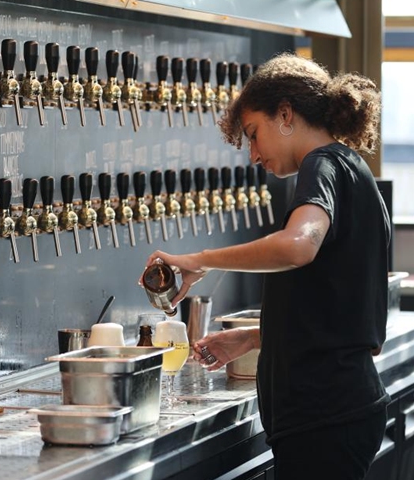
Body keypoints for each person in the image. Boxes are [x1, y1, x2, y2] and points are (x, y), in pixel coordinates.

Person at [141, 53, 390, 480]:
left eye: (255, 135)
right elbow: (344, 317)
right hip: (338, 411)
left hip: (323, 419)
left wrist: (200, 261)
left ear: (286, 114)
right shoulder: (351, 169)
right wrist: (258, 337)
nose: (254, 155)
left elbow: (297, 247)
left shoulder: (322, 165)